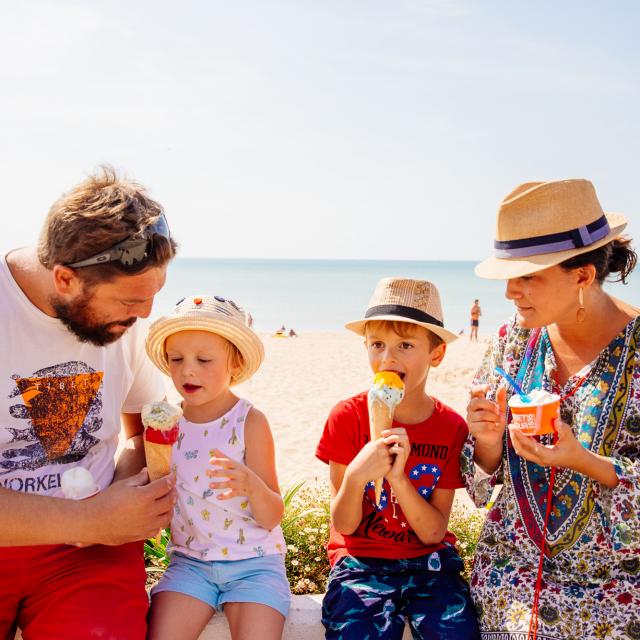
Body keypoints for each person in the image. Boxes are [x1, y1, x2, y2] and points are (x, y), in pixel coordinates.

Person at [0, 166, 178, 640]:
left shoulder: (129, 322)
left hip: (89, 555)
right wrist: (89, 518)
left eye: (152, 296)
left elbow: (144, 431)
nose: (144, 315)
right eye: (129, 301)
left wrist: (122, 497)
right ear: (64, 279)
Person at [463, 179, 639, 639]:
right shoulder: (512, 340)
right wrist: (485, 438)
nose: (510, 293)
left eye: (527, 277)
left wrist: (584, 460)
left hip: (619, 583)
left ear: (582, 275)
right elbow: (485, 474)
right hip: (511, 570)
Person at [316, 277, 480, 640]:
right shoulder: (346, 417)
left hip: (429, 563)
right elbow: (343, 525)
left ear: (435, 355)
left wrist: (399, 479)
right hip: (360, 561)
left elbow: (433, 532)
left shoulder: (451, 427)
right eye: (377, 344)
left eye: (405, 345)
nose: (387, 358)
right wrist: (358, 476)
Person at [145, 295, 290, 640]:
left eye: (204, 359)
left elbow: (272, 516)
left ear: (235, 365)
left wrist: (252, 486)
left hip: (255, 566)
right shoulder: (165, 424)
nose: (187, 370)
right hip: (189, 564)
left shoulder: (249, 422)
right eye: (176, 359)